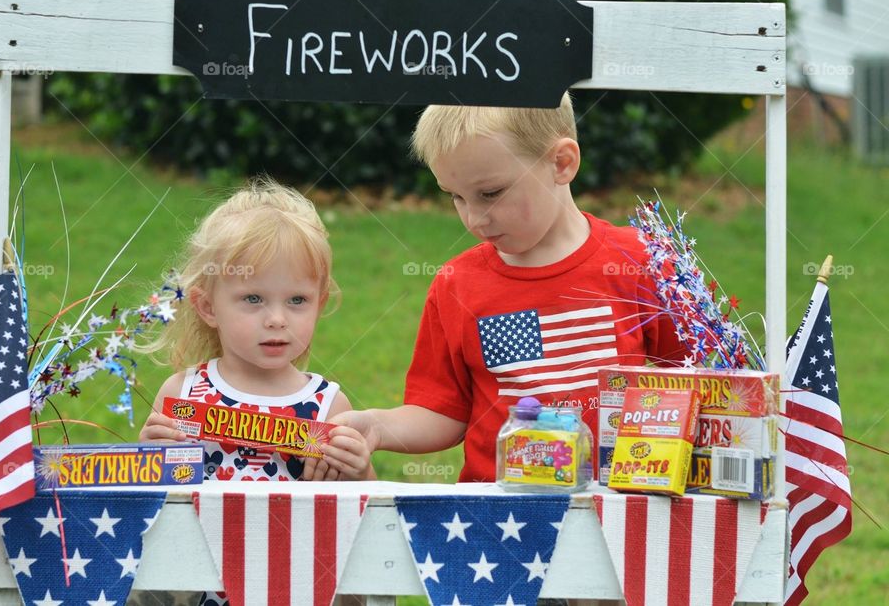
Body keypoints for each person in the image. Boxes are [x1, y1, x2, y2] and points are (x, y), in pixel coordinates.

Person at [332, 93, 687, 483]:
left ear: (562, 163)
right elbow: (444, 412)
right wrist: (377, 427)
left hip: (616, 515)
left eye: (490, 193)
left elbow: (697, 383)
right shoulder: (458, 284)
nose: (473, 218)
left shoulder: (641, 261)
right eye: (455, 197)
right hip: (497, 522)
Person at [140, 177, 373, 483]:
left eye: (297, 300)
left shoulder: (329, 407)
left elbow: (367, 511)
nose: (277, 319)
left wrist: (360, 471)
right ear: (208, 307)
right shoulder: (183, 394)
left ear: (319, 304)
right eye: (253, 298)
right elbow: (149, 500)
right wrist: (148, 458)